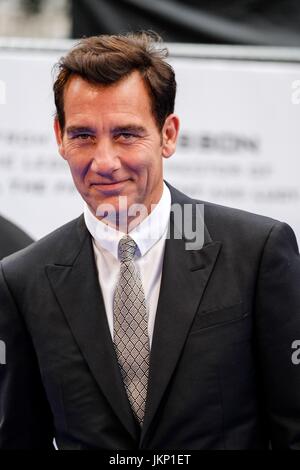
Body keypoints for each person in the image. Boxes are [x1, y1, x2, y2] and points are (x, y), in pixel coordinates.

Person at [0, 32, 300, 450]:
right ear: (59, 137)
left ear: (168, 134)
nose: (104, 162)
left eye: (126, 134)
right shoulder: (23, 280)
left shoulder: (255, 252)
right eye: (84, 135)